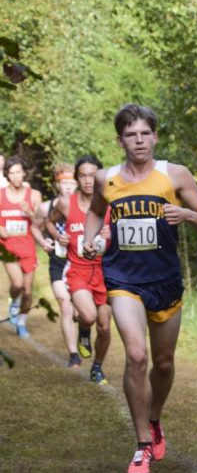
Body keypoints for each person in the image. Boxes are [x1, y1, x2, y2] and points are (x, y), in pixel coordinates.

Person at [83, 103, 197, 473]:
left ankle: (154, 418)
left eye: (145, 134)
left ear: (155, 137)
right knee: (137, 356)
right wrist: (91, 239)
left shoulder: (174, 175)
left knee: (163, 363)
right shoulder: (105, 178)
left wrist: (186, 215)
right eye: (131, 135)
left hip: (165, 281)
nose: (139, 141)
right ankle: (142, 444)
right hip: (123, 280)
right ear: (120, 139)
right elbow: (95, 211)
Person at [47, 155, 112, 383]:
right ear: (77, 178)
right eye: (83, 176)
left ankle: (97, 367)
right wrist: (58, 236)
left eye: (93, 175)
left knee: (104, 327)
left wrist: (111, 234)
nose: (88, 181)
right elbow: (49, 221)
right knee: (88, 315)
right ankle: (84, 331)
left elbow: (122, 234)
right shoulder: (66, 203)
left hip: (105, 273)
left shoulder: (110, 203)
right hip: (77, 270)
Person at [33, 163, 83, 368]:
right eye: (65, 183)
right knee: (65, 305)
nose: (69, 187)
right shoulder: (46, 207)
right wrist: (44, 242)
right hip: (58, 262)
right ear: (57, 184)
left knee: (81, 311)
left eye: (73, 183)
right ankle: (73, 354)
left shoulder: (85, 205)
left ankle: (84, 330)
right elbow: (35, 227)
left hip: (81, 264)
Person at [0, 155, 45, 337]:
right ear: (7, 175)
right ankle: (13, 302)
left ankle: (21, 321)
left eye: (19, 172)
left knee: (27, 291)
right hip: (7, 245)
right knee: (17, 283)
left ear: (24, 172)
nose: (16, 176)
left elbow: (41, 224)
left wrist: (30, 212)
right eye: (12, 173)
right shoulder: (1, 194)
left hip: (27, 247)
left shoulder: (34, 195)